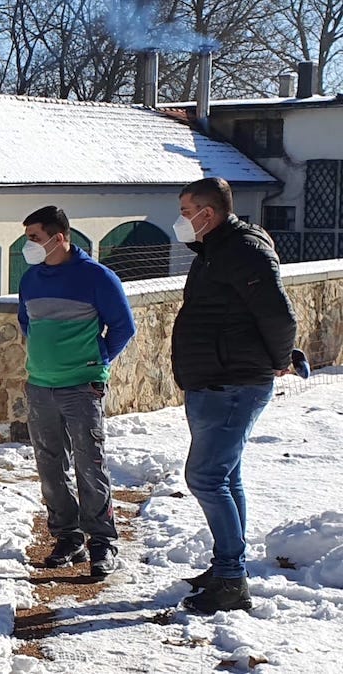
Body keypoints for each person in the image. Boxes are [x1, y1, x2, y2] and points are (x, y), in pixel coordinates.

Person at [171, 178, 296, 613]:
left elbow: (278, 314)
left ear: (209, 212)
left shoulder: (243, 249)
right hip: (215, 380)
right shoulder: (214, 251)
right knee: (226, 478)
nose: (182, 220)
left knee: (205, 478)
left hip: (232, 382)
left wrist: (278, 358)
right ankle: (229, 566)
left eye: (187, 211)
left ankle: (230, 579)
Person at [17, 205, 136, 578]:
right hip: (40, 385)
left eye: (35, 238)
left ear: (60, 238)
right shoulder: (30, 279)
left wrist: (95, 359)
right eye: (28, 238)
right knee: (50, 465)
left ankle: (102, 541)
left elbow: (122, 327)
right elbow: (26, 322)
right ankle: (68, 537)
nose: (29, 245)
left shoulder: (97, 277)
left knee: (89, 463)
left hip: (82, 387)